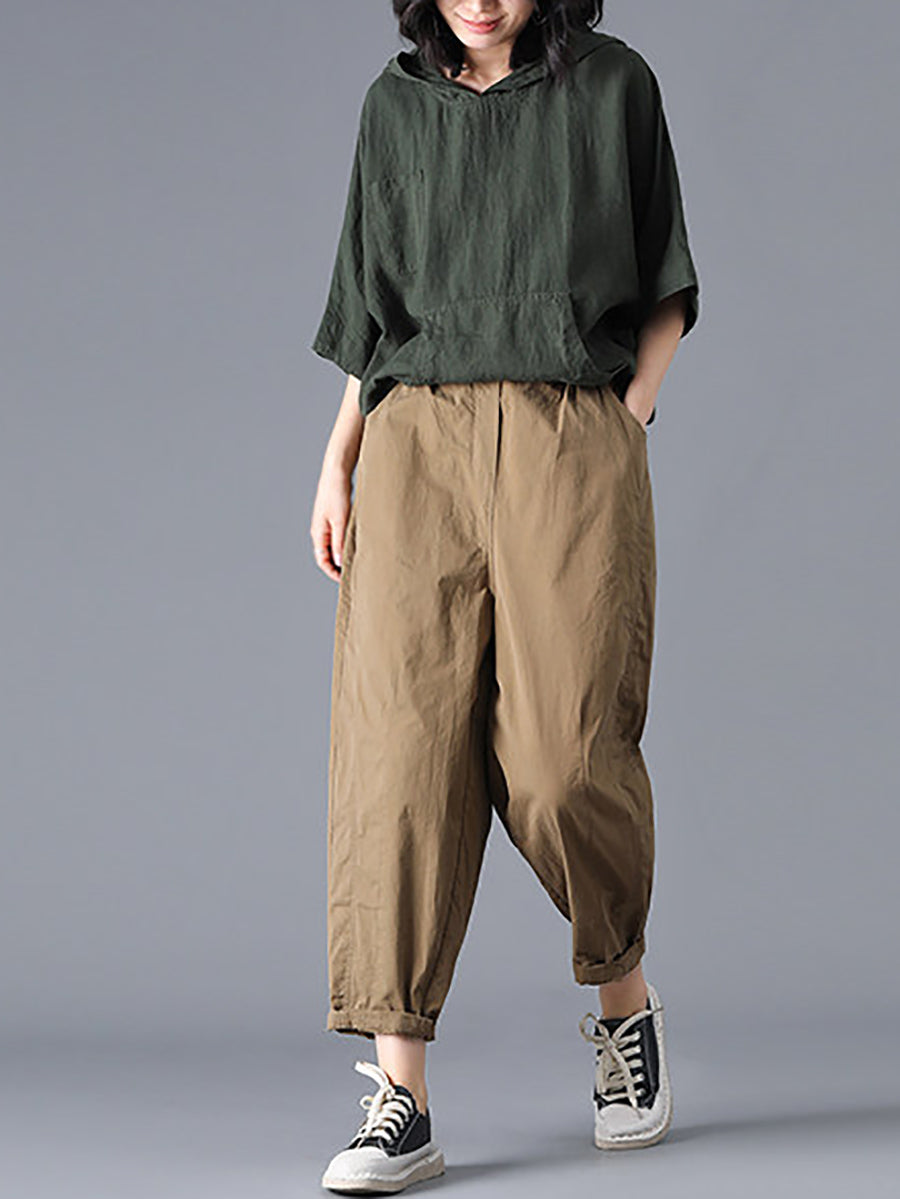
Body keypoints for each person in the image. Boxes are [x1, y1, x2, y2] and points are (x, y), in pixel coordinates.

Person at [309, 1, 700, 1190]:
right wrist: (337, 459)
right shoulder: (393, 109)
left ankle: (623, 998)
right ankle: (403, 1096)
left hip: (565, 437)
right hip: (414, 445)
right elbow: (374, 315)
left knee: (564, 758)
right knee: (399, 759)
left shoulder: (616, 89)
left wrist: (623, 422)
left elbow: (665, 282)